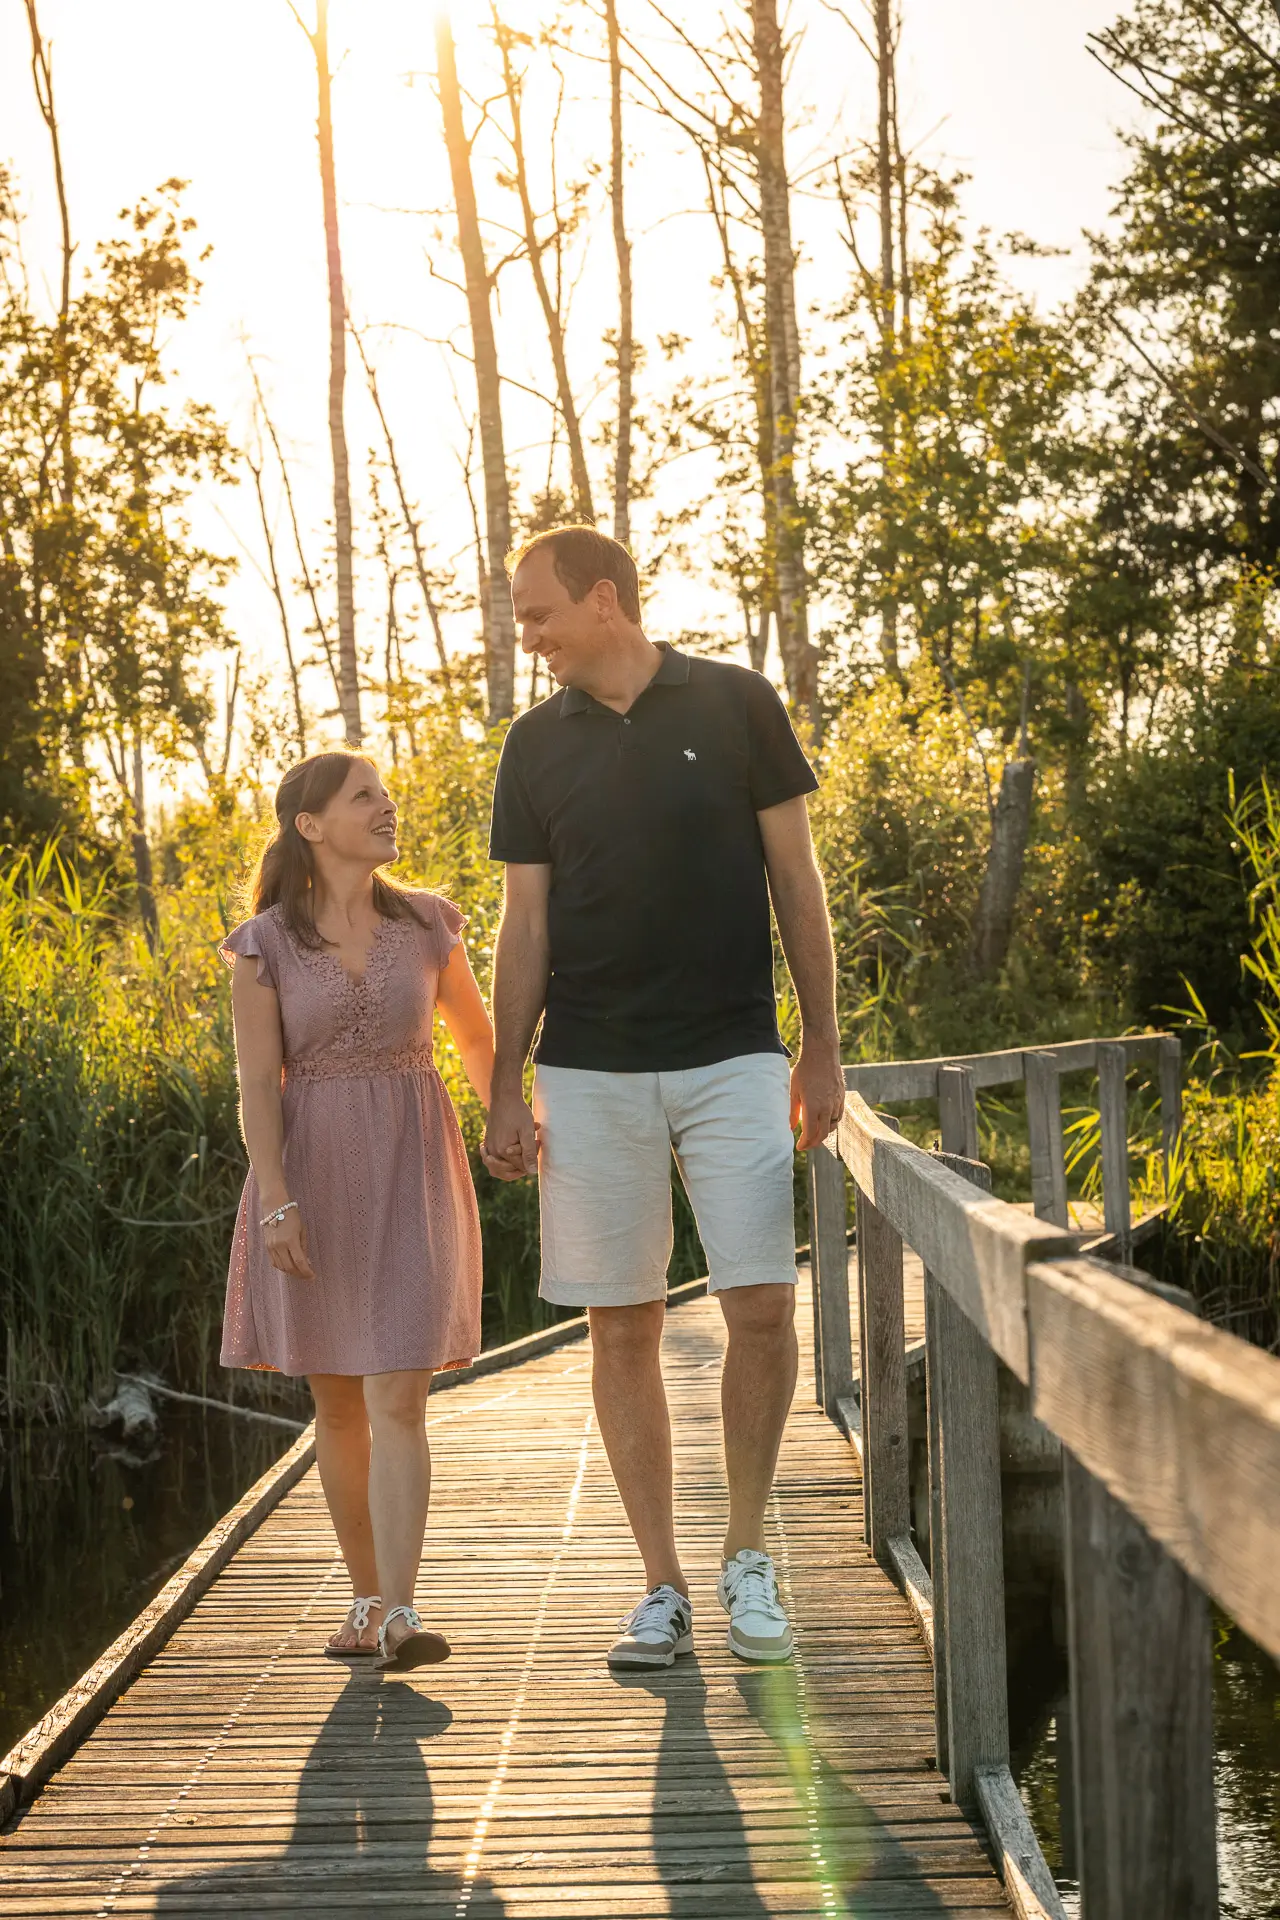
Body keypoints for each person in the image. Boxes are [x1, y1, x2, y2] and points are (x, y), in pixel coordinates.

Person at [482, 527, 845, 1670]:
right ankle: (660, 1583)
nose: (525, 635)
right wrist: (503, 1082)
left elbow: (796, 879)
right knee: (620, 1322)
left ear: (603, 600)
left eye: (537, 614)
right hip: (586, 1067)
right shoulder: (531, 745)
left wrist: (820, 1046)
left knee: (759, 1308)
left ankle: (745, 1555)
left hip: (733, 1053)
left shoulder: (736, 704)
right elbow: (523, 926)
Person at [221, 750, 493, 1670]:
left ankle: (405, 1611)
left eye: (384, 793)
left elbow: (474, 1035)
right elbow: (258, 1085)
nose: (386, 807)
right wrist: (274, 1202)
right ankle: (367, 1602)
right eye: (364, 796)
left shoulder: (427, 923)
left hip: (416, 1168)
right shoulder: (263, 943)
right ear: (310, 825)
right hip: (308, 1180)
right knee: (337, 1405)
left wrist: (511, 1121)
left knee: (398, 1395)